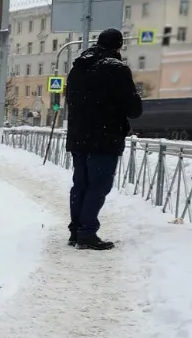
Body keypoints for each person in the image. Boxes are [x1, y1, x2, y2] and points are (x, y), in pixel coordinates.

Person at [63, 28, 142, 250]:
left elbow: (71, 100)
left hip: (78, 136)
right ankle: (87, 233)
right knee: (98, 186)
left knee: (81, 184)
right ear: (118, 46)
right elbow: (133, 108)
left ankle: (76, 231)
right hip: (105, 137)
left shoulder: (78, 68)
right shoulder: (117, 69)